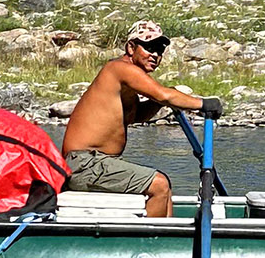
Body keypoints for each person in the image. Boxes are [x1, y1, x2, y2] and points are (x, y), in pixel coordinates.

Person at [61, 21, 217, 217]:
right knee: (159, 184)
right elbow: (163, 94)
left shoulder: (126, 83)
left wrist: (161, 103)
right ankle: (152, 243)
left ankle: (170, 238)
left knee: (165, 186)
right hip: (85, 163)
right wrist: (204, 104)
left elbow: (137, 116)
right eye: (149, 47)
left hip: (97, 162)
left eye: (160, 50)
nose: (155, 55)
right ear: (131, 47)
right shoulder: (119, 69)